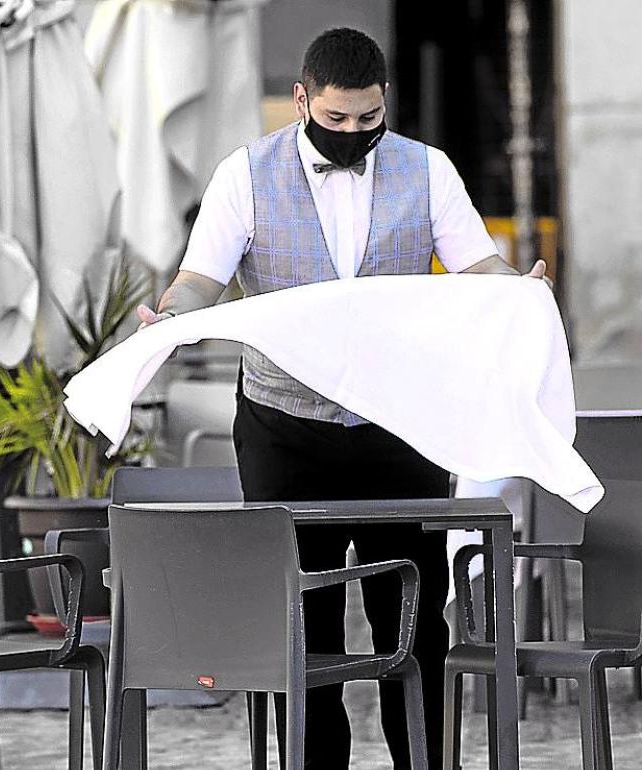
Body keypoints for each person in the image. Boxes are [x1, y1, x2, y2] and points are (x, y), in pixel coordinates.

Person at [136, 27, 548, 769]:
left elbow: (475, 264)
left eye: (368, 119)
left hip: (400, 427)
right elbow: (203, 277)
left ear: (384, 101)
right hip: (283, 429)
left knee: (414, 633)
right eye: (337, 120)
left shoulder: (427, 170)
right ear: (301, 99)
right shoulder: (246, 174)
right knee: (304, 629)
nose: (355, 134)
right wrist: (172, 313)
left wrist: (518, 294)